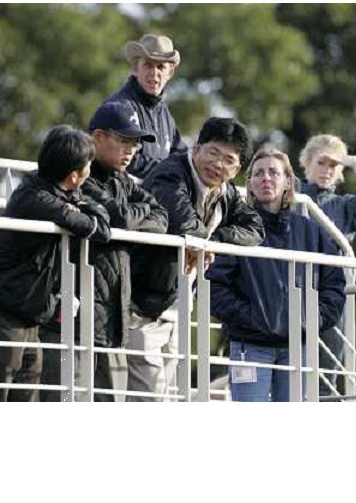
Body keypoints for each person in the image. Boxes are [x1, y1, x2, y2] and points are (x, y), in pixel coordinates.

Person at [128, 117, 265, 401]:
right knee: (148, 395)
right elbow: (185, 223)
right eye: (213, 153)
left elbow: (255, 228)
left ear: (237, 169)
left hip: (178, 303)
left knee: (165, 394)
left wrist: (211, 243)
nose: (218, 164)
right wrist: (200, 240)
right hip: (142, 304)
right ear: (195, 149)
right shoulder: (170, 174)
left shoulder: (225, 192)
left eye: (228, 159)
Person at [40, 104, 170, 401]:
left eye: (136, 143)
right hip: (66, 315)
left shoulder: (122, 180)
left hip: (110, 318)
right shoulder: (76, 176)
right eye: (125, 141)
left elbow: (162, 217)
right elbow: (121, 218)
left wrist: (134, 216)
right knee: (59, 401)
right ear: (97, 136)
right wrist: (135, 216)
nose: (133, 150)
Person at [207, 149, 346, 402]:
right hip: (249, 346)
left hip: (297, 348)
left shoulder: (311, 232)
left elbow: (334, 284)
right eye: (258, 173)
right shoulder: (233, 229)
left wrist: (310, 320)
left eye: (274, 172)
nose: (266, 178)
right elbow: (213, 286)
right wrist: (251, 318)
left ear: (288, 181)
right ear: (249, 183)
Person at [0, 126, 111, 402]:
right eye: (87, 167)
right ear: (74, 175)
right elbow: (97, 228)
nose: (89, 172)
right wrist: (82, 210)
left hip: (29, 315)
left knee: (26, 392)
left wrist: (83, 206)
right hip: (9, 312)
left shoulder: (55, 191)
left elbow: (100, 222)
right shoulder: (35, 198)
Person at [298, 134, 356, 397]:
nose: (327, 170)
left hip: (331, 303)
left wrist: (353, 161)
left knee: (325, 378)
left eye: (334, 165)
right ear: (306, 163)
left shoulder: (345, 206)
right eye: (321, 162)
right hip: (290, 295)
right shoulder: (290, 194)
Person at [101, 33, 187, 179]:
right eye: (148, 65)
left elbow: (180, 154)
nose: (154, 73)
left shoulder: (164, 113)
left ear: (170, 73)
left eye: (160, 67)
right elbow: (126, 160)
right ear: (135, 69)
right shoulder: (119, 108)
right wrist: (170, 171)